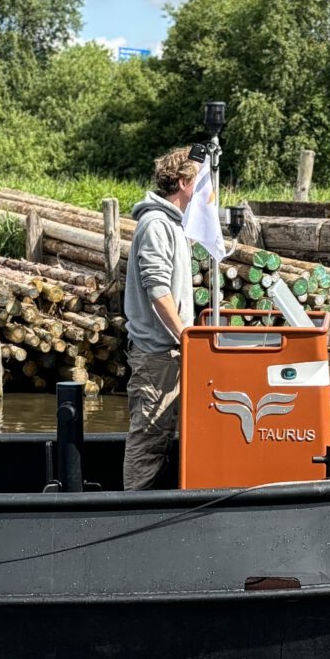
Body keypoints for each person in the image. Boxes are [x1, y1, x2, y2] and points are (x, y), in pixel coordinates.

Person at [122, 147, 198, 490]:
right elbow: (157, 291)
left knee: (163, 436)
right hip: (156, 353)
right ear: (183, 182)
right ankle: (134, 507)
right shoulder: (156, 225)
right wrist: (186, 336)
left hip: (170, 352)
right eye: (199, 180)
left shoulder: (174, 225)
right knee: (149, 438)